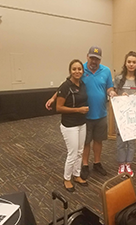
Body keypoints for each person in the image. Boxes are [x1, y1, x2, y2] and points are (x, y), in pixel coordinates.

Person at [45, 46, 116, 180]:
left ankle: (97, 163)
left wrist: (111, 92)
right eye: (92, 58)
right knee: (86, 142)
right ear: (87, 56)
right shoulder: (80, 69)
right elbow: (65, 86)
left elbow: (109, 87)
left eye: (97, 59)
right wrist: (53, 98)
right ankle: (84, 165)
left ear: (100, 59)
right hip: (85, 115)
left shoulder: (106, 71)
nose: (94, 61)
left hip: (101, 113)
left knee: (98, 140)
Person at [56, 59, 89, 192]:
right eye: (74, 69)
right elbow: (58, 108)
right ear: (70, 71)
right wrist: (78, 110)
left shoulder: (82, 84)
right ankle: (67, 178)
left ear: (82, 71)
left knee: (80, 152)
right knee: (73, 153)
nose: (77, 71)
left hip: (82, 123)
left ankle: (76, 175)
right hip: (69, 125)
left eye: (79, 69)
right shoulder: (65, 86)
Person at [113, 51, 136, 177]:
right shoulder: (119, 78)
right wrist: (120, 96)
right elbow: (113, 96)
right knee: (121, 141)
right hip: (121, 116)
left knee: (131, 142)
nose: (131, 64)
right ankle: (121, 164)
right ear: (125, 63)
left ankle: (128, 164)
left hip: (134, 116)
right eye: (129, 62)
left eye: (134, 62)